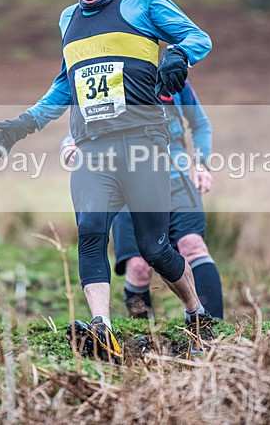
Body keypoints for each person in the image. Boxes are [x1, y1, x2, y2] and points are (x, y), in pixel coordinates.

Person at [0, 0, 213, 360]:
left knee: (154, 248)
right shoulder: (67, 20)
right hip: (92, 147)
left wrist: (176, 55)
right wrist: (24, 124)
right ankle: (102, 329)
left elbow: (199, 39)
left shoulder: (142, 2)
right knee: (91, 234)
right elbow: (65, 84)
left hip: (143, 143)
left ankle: (196, 313)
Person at [61, 80, 224, 322]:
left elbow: (200, 123)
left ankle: (213, 328)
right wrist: (69, 145)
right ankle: (144, 336)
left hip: (176, 179)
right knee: (139, 267)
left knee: (193, 245)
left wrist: (201, 163)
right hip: (129, 184)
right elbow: (82, 127)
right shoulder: (114, 75)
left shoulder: (173, 76)